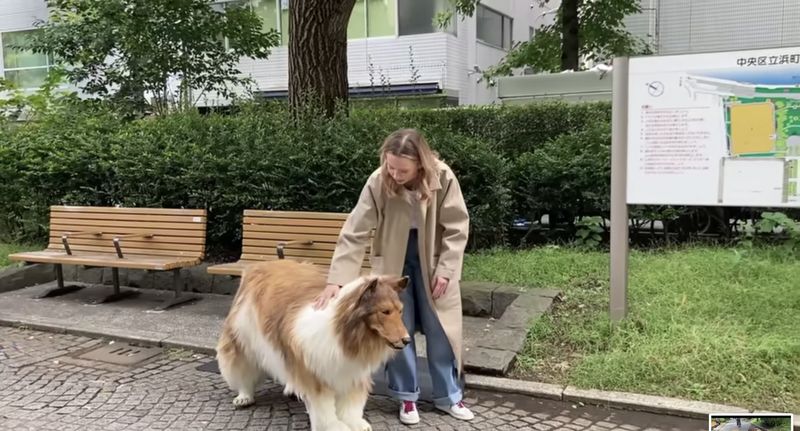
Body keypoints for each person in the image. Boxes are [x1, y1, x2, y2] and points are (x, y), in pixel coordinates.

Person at [313, 128, 474, 424]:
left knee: (442, 330)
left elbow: (457, 226)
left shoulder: (443, 176)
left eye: (403, 169)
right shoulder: (378, 180)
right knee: (396, 330)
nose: (395, 174)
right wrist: (336, 281)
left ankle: (449, 396)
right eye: (390, 166)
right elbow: (355, 231)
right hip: (391, 264)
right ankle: (406, 398)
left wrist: (448, 270)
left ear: (420, 164)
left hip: (434, 262)